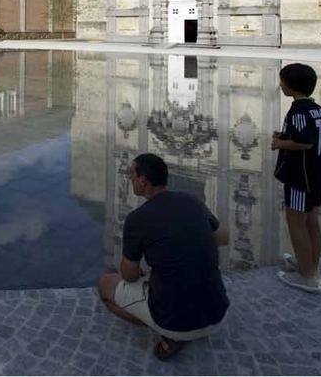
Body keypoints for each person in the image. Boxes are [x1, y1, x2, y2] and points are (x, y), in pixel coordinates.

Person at [98, 154, 230, 361]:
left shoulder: (137, 218)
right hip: (217, 313)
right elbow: (224, 237)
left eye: (131, 175)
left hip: (174, 322)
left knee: (106, 284)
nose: (129, 179)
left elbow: (129, 275)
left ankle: (168, 335)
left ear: (143, 181)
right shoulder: (192, 201)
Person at [272, 63, 321, 293]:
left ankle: (308, 277)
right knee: (311, 220)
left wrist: (280, 143)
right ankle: (310, 264)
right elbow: (311, 135)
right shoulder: (316, 109)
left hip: (300, 176)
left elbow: (305, 142)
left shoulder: (297, 110)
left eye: (282, 81)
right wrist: (285, 136)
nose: (280, 85)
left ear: (290, 86)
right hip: (317, 172)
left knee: (295, 221)